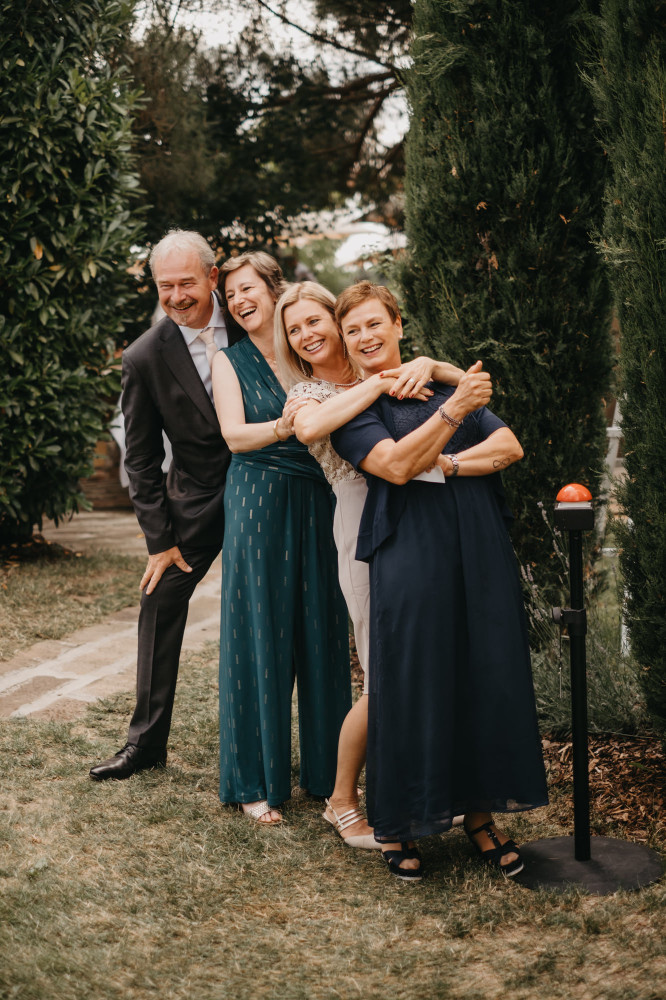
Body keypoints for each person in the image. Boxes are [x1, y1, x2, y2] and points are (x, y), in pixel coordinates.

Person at [330, 281, 548, 880]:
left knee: (482, 673)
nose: (366, 337)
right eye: (353, 330)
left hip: (479, 544)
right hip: (410, 551)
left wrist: (448, 462)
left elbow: (509, 446)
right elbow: (396, 465)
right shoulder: (357, 408)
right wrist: (453, 416)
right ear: (345, 343)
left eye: (375, 323)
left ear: (398, 324)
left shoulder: (444, 384)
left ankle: (480, 816)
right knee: (411, 680)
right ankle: (400, 821)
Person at [273, 280, 467, 848]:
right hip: (362, 526)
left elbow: (465, 386)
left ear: (337, 324)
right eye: (293, 329)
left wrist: (429, 364)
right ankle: (341, 801)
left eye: (314, 321)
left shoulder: (378, 366)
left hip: (419, 521)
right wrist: (381, 382)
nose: (306, 334)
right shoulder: (308, 394)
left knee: (422, 665)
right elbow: (310, 429)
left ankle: (430, 791)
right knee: (382, 674)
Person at [90, 230, 244, 781]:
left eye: (186, 283)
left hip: (270, 488)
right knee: (158, 601)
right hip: (195, 503)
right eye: (165, 286)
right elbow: (140, 458)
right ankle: (145, 745)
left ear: (213, 277)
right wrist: (160, 540)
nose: (177, 296)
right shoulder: (144, 356)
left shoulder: (252, 319)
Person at [211, 253, 351, 824]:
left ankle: (328, 774)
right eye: (230, 296)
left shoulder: (307, 351)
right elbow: (232, 435)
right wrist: (283, 426)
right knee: (259, 632)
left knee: (322, 629)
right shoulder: (229, 361)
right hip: (257, 499)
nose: (239, 301)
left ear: (274, 290)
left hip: (320, 499)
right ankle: (253, 779)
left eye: (247, 289)